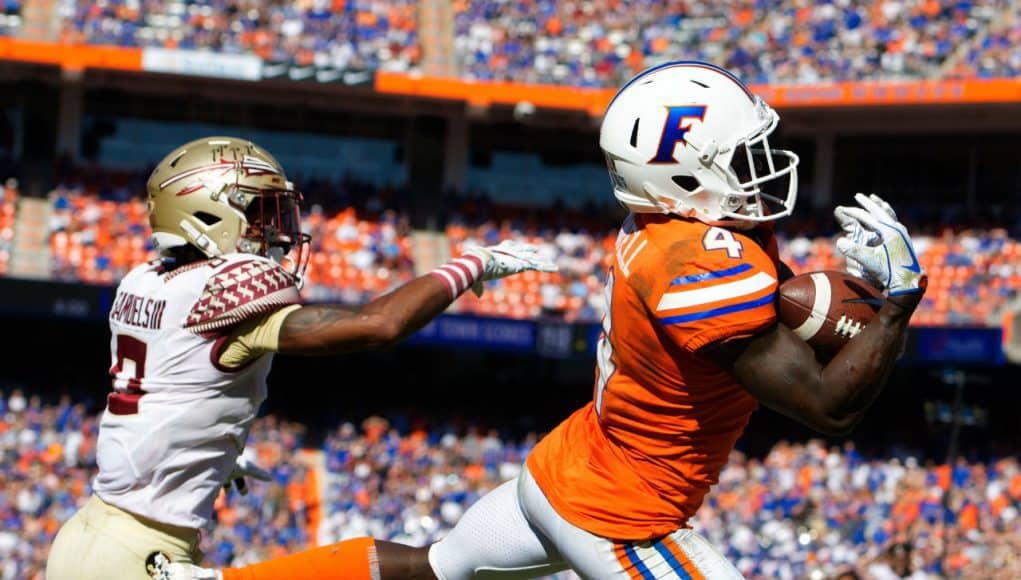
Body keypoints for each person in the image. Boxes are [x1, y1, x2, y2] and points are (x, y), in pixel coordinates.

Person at [163, 61, 928, 580]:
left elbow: (765, 304)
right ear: (684, 172)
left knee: (432, 567)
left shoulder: (670, 232)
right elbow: (828, 408)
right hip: (622, 516)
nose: (764, 165)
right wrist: (893, 306)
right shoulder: (696, 258)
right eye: (744, 153)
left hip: (560, 471)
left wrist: (844, 296)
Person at [44, 136, 555, 580]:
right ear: (207, 213)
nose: (278, 230)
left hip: (90, 533)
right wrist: (471, 264)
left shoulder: (146, 280)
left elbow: (169, 382)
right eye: (261, 212)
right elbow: (379, 325)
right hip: (144, 557)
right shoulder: (223, 291)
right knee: (417, 566)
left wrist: (203, 451)